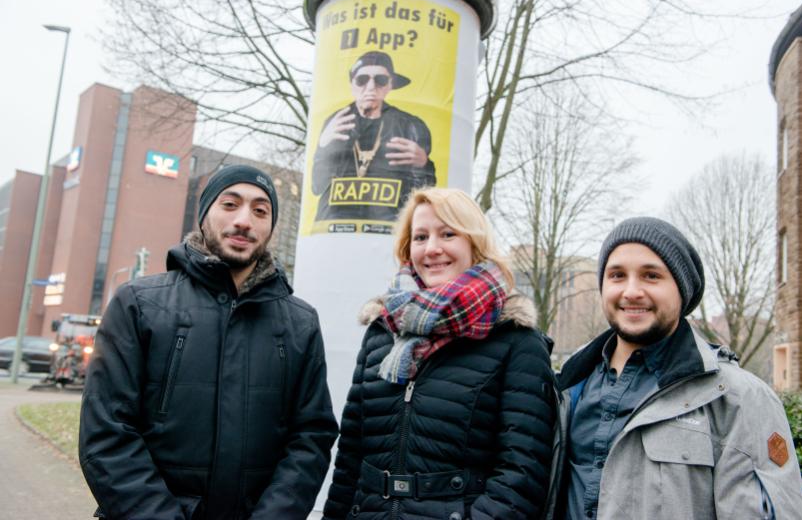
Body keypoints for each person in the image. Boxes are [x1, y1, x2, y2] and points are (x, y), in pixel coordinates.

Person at [79, 165, 339, 519]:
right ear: (204, 214)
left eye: (260, 210)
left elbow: (311, 436)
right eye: (230, 204)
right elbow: (107, 433)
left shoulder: (300, 322)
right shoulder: (138, 304)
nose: (245, 220)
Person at [545, 217, 802, 519]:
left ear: (682, 289)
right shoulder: (568, 387)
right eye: (617, 275)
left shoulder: (738, 398)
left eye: (651, 276)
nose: (631, 291)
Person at [323, 187, 556, 519]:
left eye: (448, 234)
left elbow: (521, 475)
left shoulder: (515, 339)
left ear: (474, 243)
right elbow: (350, 460)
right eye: (420, 237)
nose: (432, 249)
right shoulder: (382, 333)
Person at [312, 51, 436, 231]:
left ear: (390, 85)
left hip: (392, 233)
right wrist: (323, 147)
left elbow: (426, 195)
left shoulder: (411, 125)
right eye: (362, 80)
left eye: (380, 80)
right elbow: (317, 186)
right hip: (334, 231)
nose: (371, 87)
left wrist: (424, 164)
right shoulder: (335, 123)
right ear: (352, 84)